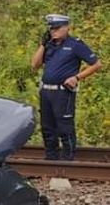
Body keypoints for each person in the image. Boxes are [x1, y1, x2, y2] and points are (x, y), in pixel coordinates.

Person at [31, 13, 102, 161]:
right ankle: (51, 158)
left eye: (57, 28)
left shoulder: (75, 44)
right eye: (51, 29)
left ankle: (67, 159)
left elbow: (96, 64)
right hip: (46, 91)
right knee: (47, 127)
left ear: (66, 28)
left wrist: (77, 77)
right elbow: (35, 65)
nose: (53, 31)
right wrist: (43, 45)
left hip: (63, 92)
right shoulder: (49, 44)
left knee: (64, 126)